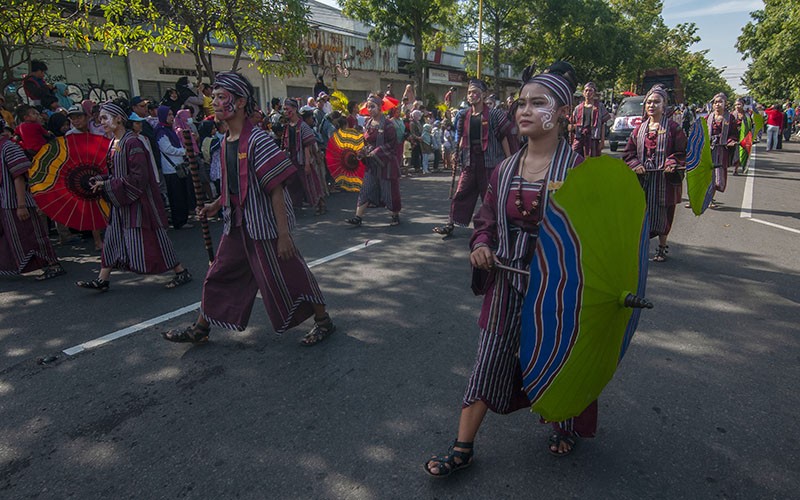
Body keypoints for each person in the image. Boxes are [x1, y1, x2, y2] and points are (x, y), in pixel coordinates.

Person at [424, 62, 586, 478]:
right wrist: (480, 246)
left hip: (558, 290)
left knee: (558, 357)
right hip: (507, 281)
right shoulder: (505, 168)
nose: (524, 111)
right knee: (489, 357)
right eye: (521, 104)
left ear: (563, 112)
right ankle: (463, 446)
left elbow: (598, 236)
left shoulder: (580, 171)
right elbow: (485, 223)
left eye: (539, 103)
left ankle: (563, 423)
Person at [162, 71, 335, 346]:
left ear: (241, 102)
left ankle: (324, 321)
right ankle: (201, 327)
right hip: (236, 225)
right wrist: (215, 204)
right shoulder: (225, 141)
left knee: (291, 275)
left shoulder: (258, 140)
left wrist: (284, 235)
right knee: (218, 274)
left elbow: (277, 189)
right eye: (214, 97)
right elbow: (234, 185)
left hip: (265, 226)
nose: (215, 102)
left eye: (221, 97)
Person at [75, 99, 190, 291]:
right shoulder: (114, 142)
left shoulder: (133, 142)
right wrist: (101, 180)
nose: (101, 122)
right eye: (100, 118)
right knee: (112, 238)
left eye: (105, 118)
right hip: (121, 200)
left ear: (119, 119)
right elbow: (115, 174)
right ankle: (103, 278)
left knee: (153, 238)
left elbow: (140, 177)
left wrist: (107, 183)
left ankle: (180, 271)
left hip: (139, 201)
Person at [432, 79, 513, 236]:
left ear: (483, 95)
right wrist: (458, 153)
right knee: (461, 192)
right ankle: (450, 223)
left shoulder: (495, 115)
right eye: (469, 92)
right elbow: (462, 136)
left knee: (490, 196)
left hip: (490, 161)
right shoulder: (464, 115)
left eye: (475, 92)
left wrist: (509, 160)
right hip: (470, 160)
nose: (472, 95)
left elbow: (504, 137)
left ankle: (497, 228)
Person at [623, 85, 686, 263]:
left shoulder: (674, 128)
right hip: (644, 180)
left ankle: (661, 248)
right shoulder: (638, 129)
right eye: (649, 102)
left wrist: (671, 162)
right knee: (640, 213)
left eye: (656, 102)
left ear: (664, 105)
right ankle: (640, 246)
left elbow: (682, 152)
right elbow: (628, 153)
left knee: (664, 214)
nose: (652, 105)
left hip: (665, 180)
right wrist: (635, 165)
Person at [0, 118, 66, 280]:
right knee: (12, 239)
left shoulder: (9, 147)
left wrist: (21, 204)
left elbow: (20, 176)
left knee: (32, 235)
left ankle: (53, 265)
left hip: (16, 201)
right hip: (5, 203)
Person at [344, 94, 401, 227]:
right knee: (366, 188)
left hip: (385, 164)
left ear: (380, 107)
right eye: (368, 107)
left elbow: (392, 145)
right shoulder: (367, 123)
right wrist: (361, 152)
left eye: (373, 106)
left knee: (389, 191)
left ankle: (395, 214)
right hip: (371, 164)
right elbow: (365, 142)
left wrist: (375, 152)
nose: (370, 109)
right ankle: (358, 217)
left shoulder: (388, 125)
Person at [282, 99, 325, 214]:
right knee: (291, 183)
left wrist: (307, 163)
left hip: (301, 158)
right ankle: (295, 205)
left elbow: (307, 146)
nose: (285, 111)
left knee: (310, 182)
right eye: (284, 109)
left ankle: (320, 204)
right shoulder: (287, 126)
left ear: (295, 109)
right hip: (290, 159)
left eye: (287, 109)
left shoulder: (303, 126)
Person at [155, 105, 192, 229]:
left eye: (172, 114)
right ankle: (179, 221)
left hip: (178, 166)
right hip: (171, 169)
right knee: (176, 196)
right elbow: (167, 148)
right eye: (169, 115)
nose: (171, 117)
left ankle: (184, 218)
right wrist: (183, 151)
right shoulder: (161, 131)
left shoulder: (170, 130)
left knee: (182, 194)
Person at [707, 93, 738, 208]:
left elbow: (734, 134)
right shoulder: (708, 117)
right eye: (715, 102)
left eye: (720, 102)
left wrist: (731, 141)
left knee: (717, 178)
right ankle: (704, 199)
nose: (717, 104)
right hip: (708, 151)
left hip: (721, 151)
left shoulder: (729, 118)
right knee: (706, 176)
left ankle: (710, 199)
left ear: (725, 104)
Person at [570, 82, 610, 157]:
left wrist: (602, 141)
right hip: (580, 138)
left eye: (590, 90)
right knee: (575, 158)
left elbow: (603, 124)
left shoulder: (599, 107)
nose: (588, 93)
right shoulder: (578, 108)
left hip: (593, 139)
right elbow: (572, 122)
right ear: (583, 93)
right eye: (586, 90)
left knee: (592, 161)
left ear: (594, 93)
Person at [730, 98, 751, 175]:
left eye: (739, 104)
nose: (737, 106)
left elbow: (750, 125)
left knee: (741, 153)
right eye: (736, 105)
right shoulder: (732, 114)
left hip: (744, 136)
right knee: (734, 153)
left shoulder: (747, 115)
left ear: (743, 105)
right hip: (733, 136)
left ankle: (737, 168)